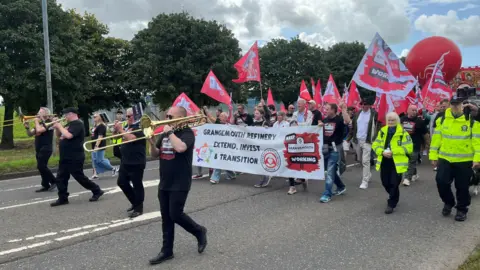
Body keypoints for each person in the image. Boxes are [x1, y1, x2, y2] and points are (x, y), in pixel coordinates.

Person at [148, 106, 207, 265]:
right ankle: (167, 251)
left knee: (175, 214)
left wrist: (169, 133)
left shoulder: (187, 133)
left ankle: (199, 231)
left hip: (180, 181)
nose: (166, 118)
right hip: (165, 181)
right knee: (166, 218)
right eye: (166, 115)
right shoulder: (165, 133)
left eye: (170, 116)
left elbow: (180, 148)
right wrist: (151, 143)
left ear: (180, 118)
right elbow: (155, 155)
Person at [430, 96, 480, 222]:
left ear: (463, 105)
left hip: (464, 161)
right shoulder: (442, 120)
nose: (455, 106)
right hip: (445, 159)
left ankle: (461, 210)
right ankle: (448, 202)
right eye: (453, 104)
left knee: (462, 187)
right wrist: (433, 156)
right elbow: (436, 140)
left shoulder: (472, 121)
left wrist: (477, 159)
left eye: (458, 104)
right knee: (441, 182)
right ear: (450, 105)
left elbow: (477, 142)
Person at [50, 107, 105, 207]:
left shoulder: (78, 124)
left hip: (75, 155)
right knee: (61, 177)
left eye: (66, 115)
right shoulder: (68, 124)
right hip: (65, 156)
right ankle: (63, 198)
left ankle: (96, 190)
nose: (64, 117)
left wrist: (60, 126)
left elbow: (69, 135)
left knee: (79, 176)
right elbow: (60, 135)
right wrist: (57, 127)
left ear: (71, 114)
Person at [373, 112, 412, 214]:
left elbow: (409, 148)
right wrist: (382, 152)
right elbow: (375, 144)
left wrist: (394, 152)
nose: (390, 122)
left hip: (397, 162)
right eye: (389, 120)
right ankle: (394, 196)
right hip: (384, 160)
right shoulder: (382, 131)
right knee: (385, 182)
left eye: (393, 120)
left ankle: (391, 203)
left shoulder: (403, 133)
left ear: (397, 121)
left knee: (394, 183)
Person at [115, 108, 146, 218]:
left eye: (129, 116)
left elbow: (132, 138)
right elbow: (119, 138)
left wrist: (121, 130)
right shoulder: (127, 127)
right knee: (121, 182)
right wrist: (116, 130)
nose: (127, 118)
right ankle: (135, 202)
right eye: (126, 116)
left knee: (137, 185)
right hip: (125, 160)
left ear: (136, 116)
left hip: (136, 161)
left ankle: (139, 208)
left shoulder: (140, 127)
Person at [318, 102, 351, 203]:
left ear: (333, 110)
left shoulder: (339, 119)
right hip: (325, 148)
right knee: (329, 170)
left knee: (330, 170)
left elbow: (348, 121)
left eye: (327, 109)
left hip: (335, 148)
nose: (325, 111)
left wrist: (344, 109)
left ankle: (327, 194)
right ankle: (341, 186)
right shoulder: (325, 120)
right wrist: (320, 126)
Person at [347, 99, 379, 189]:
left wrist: (376, 137)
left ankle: (365, 181)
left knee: (366, 161)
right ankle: (368, 174)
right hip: (357, 140)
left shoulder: (374, 114)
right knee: (360, 160)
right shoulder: (357, 114)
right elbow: (353, 127)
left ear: (370, 105)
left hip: (367, 141)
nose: (364, 106)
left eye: (366, 104)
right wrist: (348, 139)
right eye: (362, 104)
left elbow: (378, 124)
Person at [25, 107, 56, 192]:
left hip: (46, 148)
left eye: (40, 112)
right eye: (38, 112)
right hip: (39, 148)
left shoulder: (50, 123)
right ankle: (45, 185)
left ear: (46, 114)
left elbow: (40, 130)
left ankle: (54, 181)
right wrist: (27, 127)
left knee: (41, 166)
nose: (38, 114)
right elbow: (30, 134)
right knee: (41, 167)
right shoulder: (38, 123)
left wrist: (36, 121)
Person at [400, 105, 427, 186]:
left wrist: (426, 145)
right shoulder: (402, 119)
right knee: (407, 161)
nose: (414, 112)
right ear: (407, 110)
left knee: (411, 161)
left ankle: (406, 178)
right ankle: (414, 174)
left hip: (415, 145)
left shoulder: (420, 121)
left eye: (415, 110)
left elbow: (425, 134)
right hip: (404, 144)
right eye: (412, 110)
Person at [209, 112, 237, 184]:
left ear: (225, 118)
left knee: (220, 160)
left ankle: (215, 178)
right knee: (222, 161)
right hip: (218, 146)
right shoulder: (217, 125)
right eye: (220, 116)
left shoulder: (229, 126)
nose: (220, 117)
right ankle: (232, 174)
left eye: (222, 116)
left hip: (226, 147)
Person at [90, 113, 118, 180]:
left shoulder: (102, 126)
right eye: (93, 117)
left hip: (100, 145)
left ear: (100, 118)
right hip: (93, 145)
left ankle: (113, 168)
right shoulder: (95, 126)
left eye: (95, 117)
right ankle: (95, 174)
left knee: (100, 160)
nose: (94, 118)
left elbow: (100, 137)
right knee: (94, 160)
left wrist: (97, 146)